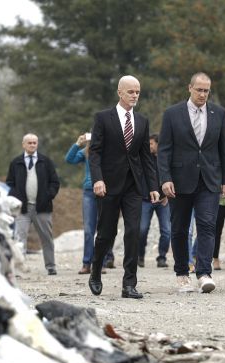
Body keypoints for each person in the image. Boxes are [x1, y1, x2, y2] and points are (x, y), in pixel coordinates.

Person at [158, 72, 225, 293]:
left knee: (207, 225)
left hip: (209, 180)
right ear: (189, 88)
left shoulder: (218, 113)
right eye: (199, 89)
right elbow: (164, 150)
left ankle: (204, 273)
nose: (202, 94)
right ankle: (182, 274)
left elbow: (223, 149)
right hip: (179, 181)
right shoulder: (172, 114)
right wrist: (165, 179)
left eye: (206, 90)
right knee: (180, 229)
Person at [87, 75, 159, 299]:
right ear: (120, 92)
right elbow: (95, 151)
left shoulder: (142, 121)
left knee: (133, 231)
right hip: (108, 185)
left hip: (133, 187)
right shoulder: (103, 118)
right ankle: (96, 271)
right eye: (130, 92)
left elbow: (146, 157)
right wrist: (97, 179)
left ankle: (129, 284)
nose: (135, 95)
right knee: (106, 233)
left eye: (137, 92)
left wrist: (153, 185)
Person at [6, 133, 60, 275]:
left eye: (34, 143)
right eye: (29, 143)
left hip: (42, 207)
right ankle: (20, 268)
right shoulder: (16, 162)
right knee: (19, 238)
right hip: (23, 208)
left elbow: (55, 182)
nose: (32, 145)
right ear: (23, 144)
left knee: (46, 238)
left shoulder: (46, 162)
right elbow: (10, 183)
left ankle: (50, 266)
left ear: (37, 144)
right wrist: (16, 198)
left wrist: (48, 196)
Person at [65, 134, 115, 275]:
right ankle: (86, 263)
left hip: (106, 191)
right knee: (88, 230)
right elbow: (69, 160)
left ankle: (101, 263)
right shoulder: (86, 151)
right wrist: (77, 143)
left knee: (103, 229)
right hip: (89, 191)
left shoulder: (110, 150)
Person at [138, 134, 170, 269]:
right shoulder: (144, 158)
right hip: (146, 200)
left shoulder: (166, 159)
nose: (149, 146)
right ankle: (140, 256)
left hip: (163, 201)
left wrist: (167, 196)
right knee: (142, 229)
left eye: (151, 144)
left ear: (158, 144)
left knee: (167, 231)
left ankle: (162, 257)